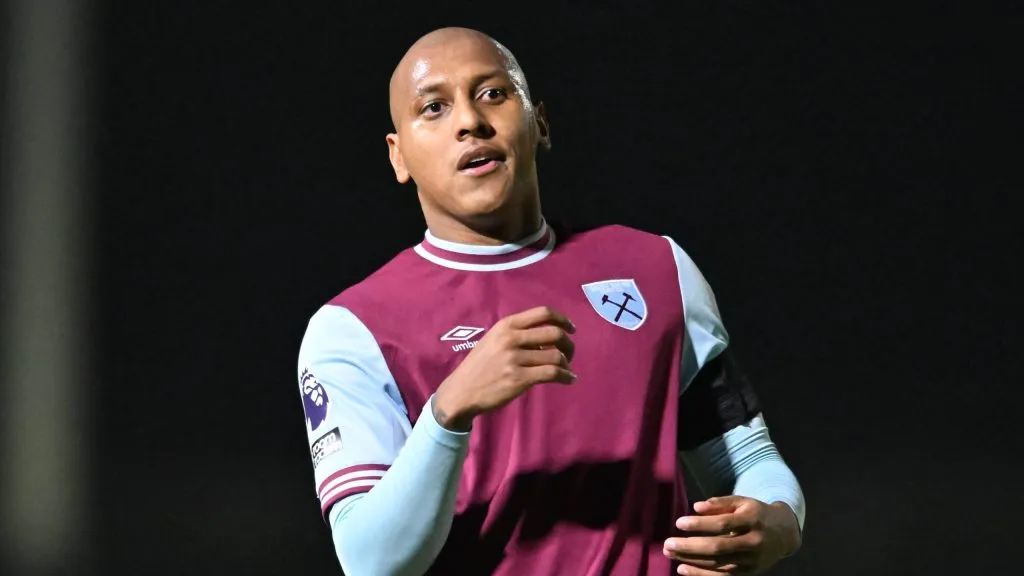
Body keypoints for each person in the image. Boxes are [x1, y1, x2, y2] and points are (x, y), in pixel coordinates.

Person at [295, 27, 806, 576]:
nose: (470, 121)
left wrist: (778, 524)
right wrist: (449, 412)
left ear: (539, 121)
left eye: (493, 93)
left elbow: (749, 460)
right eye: (434, 107)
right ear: (399, 156)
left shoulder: (658, 269)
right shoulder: (354, 327)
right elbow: (372, 562)